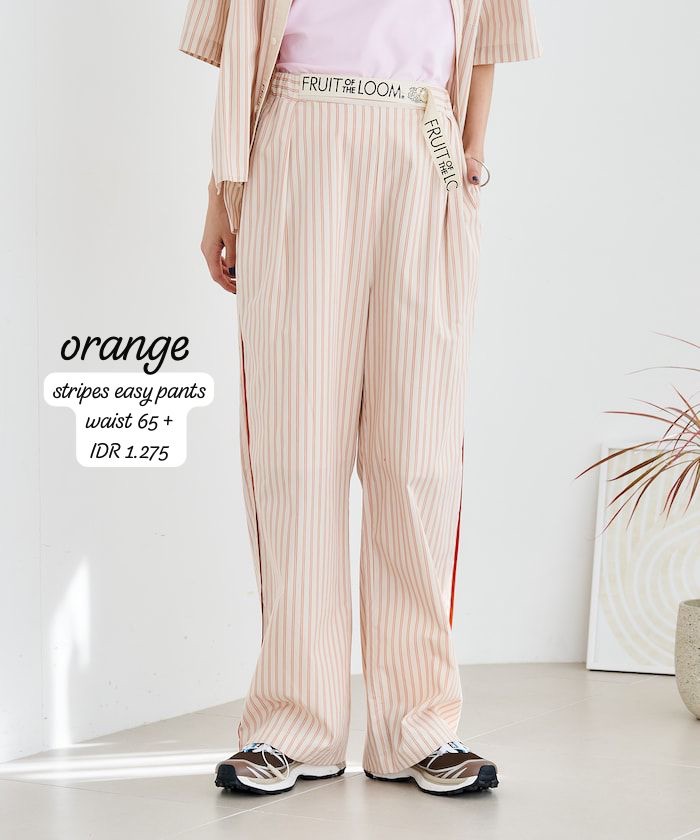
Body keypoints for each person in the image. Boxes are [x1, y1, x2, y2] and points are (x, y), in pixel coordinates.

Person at [179, 0, 541, 797]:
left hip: (423, 141)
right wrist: (218, 194)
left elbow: (490, 32)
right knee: (296, 453)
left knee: (418, 458)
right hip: (296, 137)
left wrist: (472, 152)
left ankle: (419, 726)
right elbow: (236, 43)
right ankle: (292, 723)